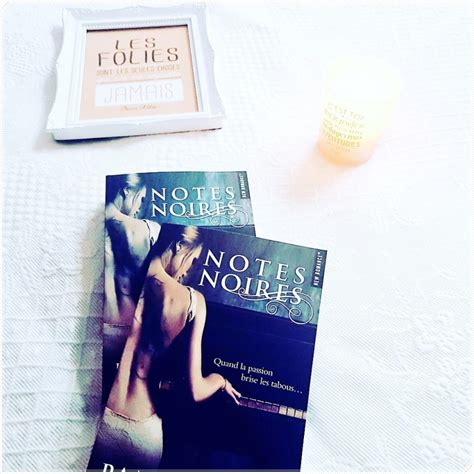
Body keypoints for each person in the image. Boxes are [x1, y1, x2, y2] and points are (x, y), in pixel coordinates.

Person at [89, 226, 241, 470]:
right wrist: (219, 380)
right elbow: (196, 391)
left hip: (101, 421)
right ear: (179, 246)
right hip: (144, 433)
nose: (189, 269)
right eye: (193, 260)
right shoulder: (193, 301)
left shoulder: (126, 272)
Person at [103, 174, 160, 391]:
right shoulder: (148, 229)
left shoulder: (96, 227)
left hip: (104, 332)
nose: (140, 207)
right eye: (141, 198)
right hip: (133, 334)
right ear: (127, 190)